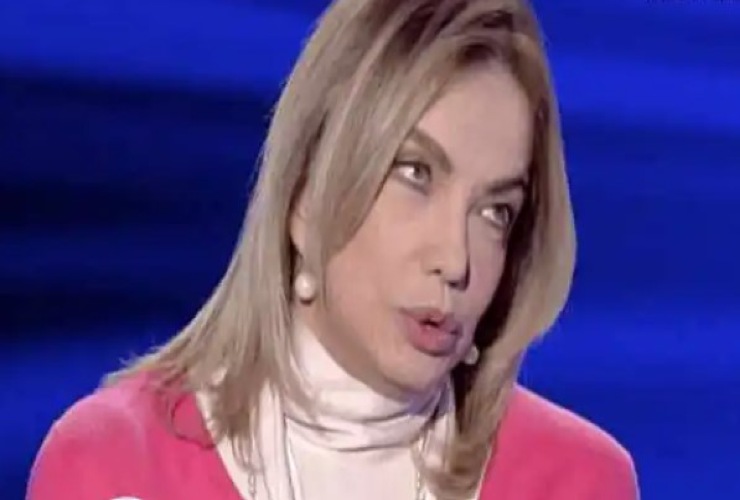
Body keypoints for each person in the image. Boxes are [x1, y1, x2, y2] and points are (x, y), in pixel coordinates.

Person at [27, 0, 639, 499]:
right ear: (304, 197)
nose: (457, 261)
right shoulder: (118, 466)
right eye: (415, 174)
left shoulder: (579, 482)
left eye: (495, 211)